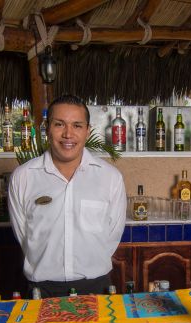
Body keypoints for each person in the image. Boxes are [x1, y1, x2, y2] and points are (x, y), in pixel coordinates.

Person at [8, 95, 127, 298]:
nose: (68, 134)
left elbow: (112, 235)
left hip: (96, 289)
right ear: (47, 128)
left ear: (88, 131)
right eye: (59, 124)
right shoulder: (23, 177)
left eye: (77, 125)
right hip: (41, 291)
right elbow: (24, 236)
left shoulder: (110, 178)